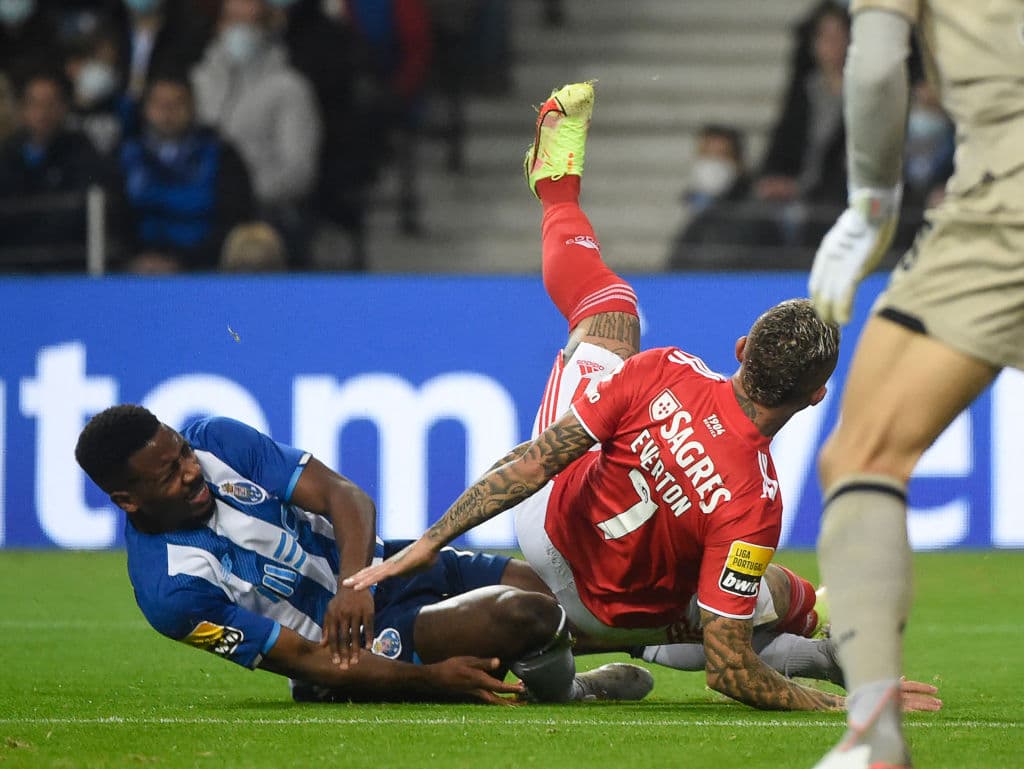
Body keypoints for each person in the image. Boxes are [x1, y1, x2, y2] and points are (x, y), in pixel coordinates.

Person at [345, 82, 941, 714]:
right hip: (605, 618)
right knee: (766, 598)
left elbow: (529, 466)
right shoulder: (754, 501)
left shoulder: (665, 371)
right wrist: (839, 706)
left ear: (741, 348)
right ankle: (821, 649)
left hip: (543, 528)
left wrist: (431, 540)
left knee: (608, 308)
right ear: (818, 395)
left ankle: (556, 188)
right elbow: (729, 668)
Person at [74, 404, 654, 704]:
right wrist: (427, 681)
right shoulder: (170, 592)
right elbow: (304, 659)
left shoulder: (217, 439)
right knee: (518, 615)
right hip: (353, 649)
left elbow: (341, 495)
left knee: (559, 589)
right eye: (170, 474)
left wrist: (355, 583)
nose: (191, 471)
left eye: (182, 454)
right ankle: (592, 681)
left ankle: (667, 636)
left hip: (383, 570)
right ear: (127, 499)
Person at [807, 1, 1024, 767]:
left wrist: (873, 201)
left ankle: (874, 734)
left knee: (862, 452)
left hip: (1010, 197)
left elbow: (872, 66)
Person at [191, 0, 322, 265]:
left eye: (249, 22)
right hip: (200, 210)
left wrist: (240, 195)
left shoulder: (290, 88)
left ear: (266, 28)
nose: (240, 30)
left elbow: (299, 172)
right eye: (233, 20)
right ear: (219, 25)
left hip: (264, 212)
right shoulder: (198, 81)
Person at [119, 75, 254, 272]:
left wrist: (186, 261)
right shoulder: (124, 155)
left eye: (177, 103)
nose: (168, 112)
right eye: (160, 103)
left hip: (206, 268)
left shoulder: (222, 154)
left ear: (192, 107)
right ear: (145, 108)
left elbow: (234, 217)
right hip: (136, 268)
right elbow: (114, 218)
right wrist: (136, 256)